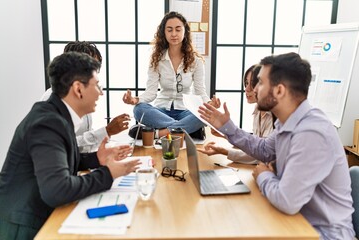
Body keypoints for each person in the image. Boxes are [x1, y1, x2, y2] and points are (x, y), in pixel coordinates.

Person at [198, 52, 355, 239]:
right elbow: (263, 150)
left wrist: (264, 176)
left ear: (279, 91)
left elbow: (287, 201)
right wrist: (227, 126)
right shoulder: (287, 121)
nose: (255, 90)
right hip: (295, 223)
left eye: (261, 83)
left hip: (321, 233)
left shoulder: (312, 133)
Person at [0, 52, 141, 240]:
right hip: (22, 226)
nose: (101, 92)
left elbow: (58, 162)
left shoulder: (56, 115)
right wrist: (109, 174)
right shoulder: (48, 122)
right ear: (78, 89)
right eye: (97, 85)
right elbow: (57, 190)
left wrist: (96, 159)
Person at [122, 11, 220, 140]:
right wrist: (135, 100)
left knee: (206, 114)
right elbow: (151, 93)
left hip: (186, 111)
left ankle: (159, 133)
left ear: (185, 32)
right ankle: (186, 130)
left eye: (178, 30)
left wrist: (209, 104)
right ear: (164, 33)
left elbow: (200, 91)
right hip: (161, 111)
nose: (174, 34)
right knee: (139, 110)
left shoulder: (196, 61)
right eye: (169, 30)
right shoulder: (156, 59)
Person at [41, 41, 131, 153]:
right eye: (91, 68)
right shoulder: (52, 102)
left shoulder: (82, 93)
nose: (95, 74)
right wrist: (107, 131)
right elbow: (64, 146)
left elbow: (84, 137)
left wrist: (106, 140)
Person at [198, 64, 275, 164]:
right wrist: (225, 135)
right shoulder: (257, 111)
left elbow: (262, 155)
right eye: (246, 83)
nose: (247, 89)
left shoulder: (275, 117)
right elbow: (254, 147)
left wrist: (224, 151)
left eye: (252, 84)